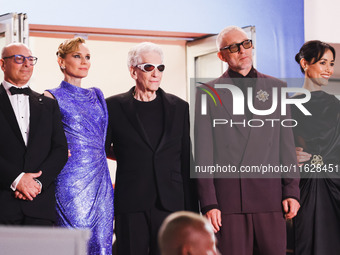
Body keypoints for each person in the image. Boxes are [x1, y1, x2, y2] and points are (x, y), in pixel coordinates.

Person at [194, 26, 300, 255]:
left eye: (246, 44)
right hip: (229, 203)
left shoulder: (277, 88)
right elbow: (203, 153)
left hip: (271, 200)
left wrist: (291, 190)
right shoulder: (208, 92)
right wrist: (209, 203)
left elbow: (286, 146)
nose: (242, 50)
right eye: (233, 47)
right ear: (221, 56)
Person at [105, 42, 198, 255]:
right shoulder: (113, 106)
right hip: (131, 202)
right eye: (148, 67)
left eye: (160, 68)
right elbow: (101, 151)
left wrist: (192, 213)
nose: (156, 73)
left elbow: (186, 161)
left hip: (171, 203)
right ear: (133, 71)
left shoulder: (180, 107)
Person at [44, 37, 114, 255]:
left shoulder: (97, 95)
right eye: (77, 56)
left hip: (101, 182)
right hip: (70, 182)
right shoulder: (51, 96)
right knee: (75, 244)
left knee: (103, 244)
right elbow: (45, 142)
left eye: (87, 57)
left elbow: (105, 140)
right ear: (61, 61)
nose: (84, 61)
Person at [0, 43, 68, 225]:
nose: (26, 64)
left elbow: (60, 150)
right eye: (19, 59)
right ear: (2, 64)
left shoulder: (48, 104)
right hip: (3, 204)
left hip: (40, 205)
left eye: (30, 60)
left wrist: (37, 184)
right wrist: (17, 180)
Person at [292, 40, 340, 255]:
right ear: (305, 63)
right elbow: (270, 149)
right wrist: (285, 155)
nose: (328, 69)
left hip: (336, 186)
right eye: (323, 62)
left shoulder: (337, 107)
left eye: (331, 63)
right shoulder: (287, 107)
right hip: (304, 187)